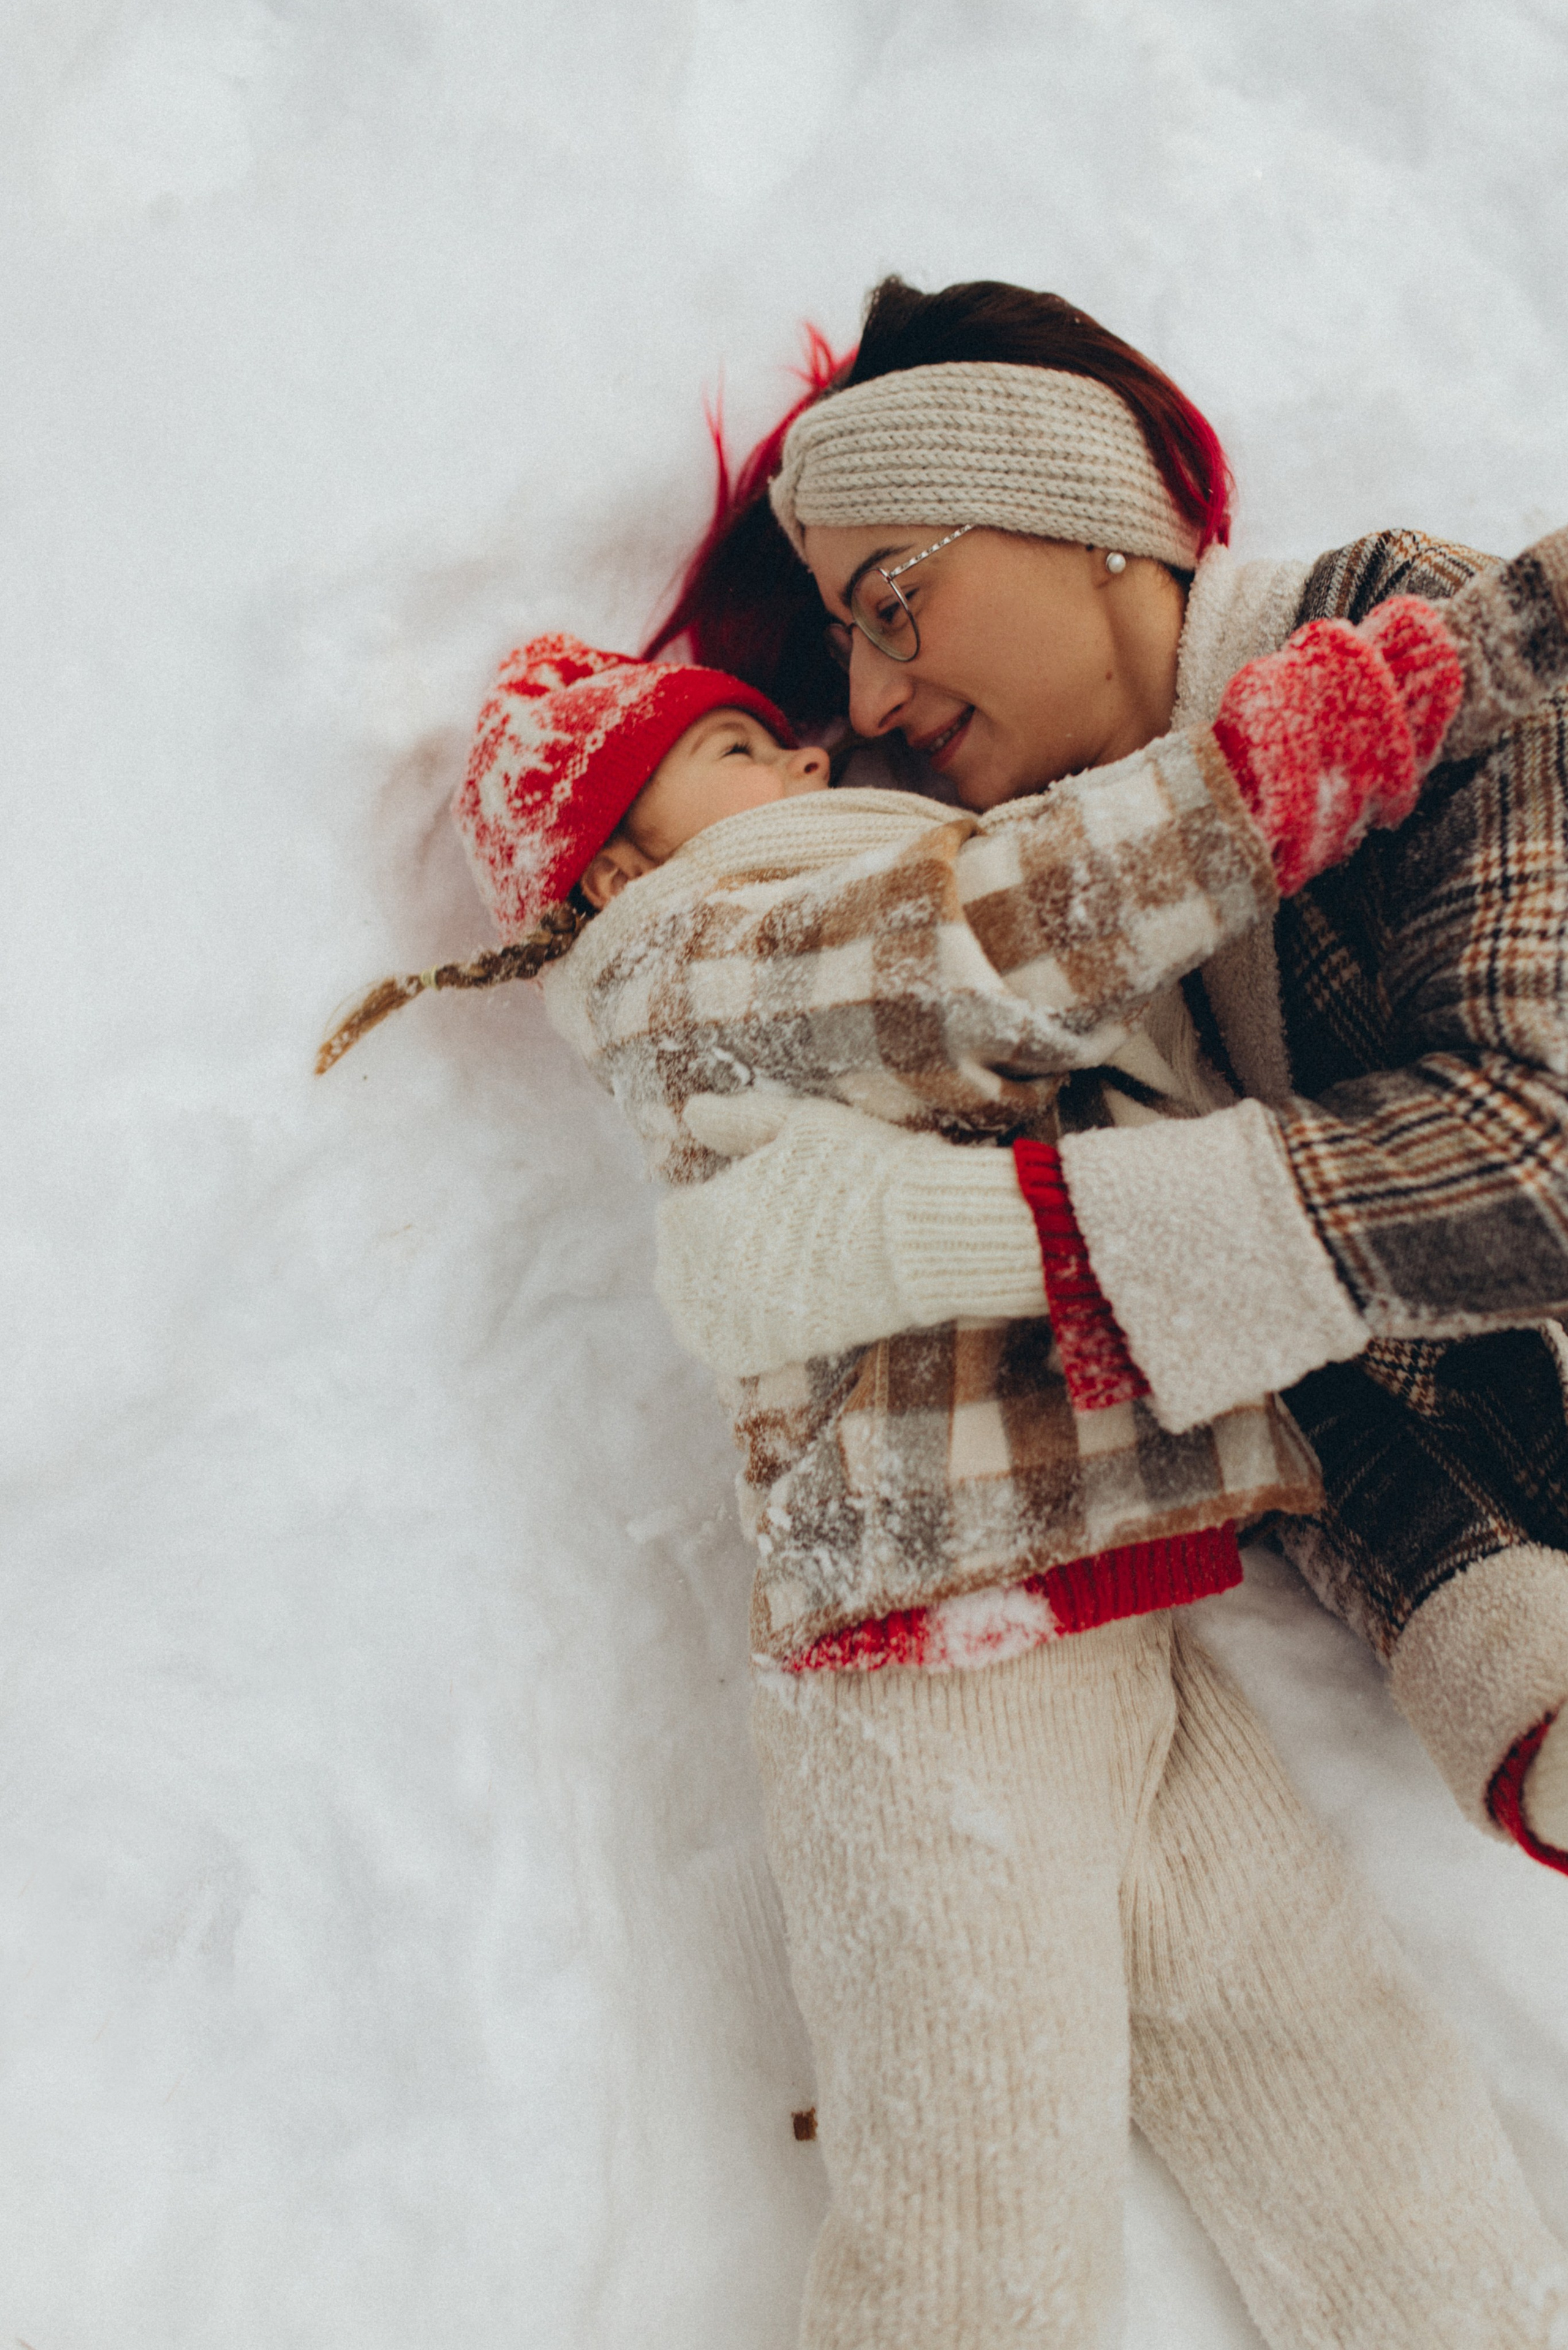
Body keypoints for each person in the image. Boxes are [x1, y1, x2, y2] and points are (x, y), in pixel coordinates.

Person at [321, 605, 1568, 2349]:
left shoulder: (840, 926)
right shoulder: (706, 967)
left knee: (1327, 2056)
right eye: (737, 752)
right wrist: (1259, 778)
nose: (808, 750)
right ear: (616, 869)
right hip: (922, 1684)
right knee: (980, 2193)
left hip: (1119, 1629)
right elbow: (982, 943)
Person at [650, 273, 1568, 1875]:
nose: (867, 699)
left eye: (892, 600)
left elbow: (1538, 1159)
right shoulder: (1081, 939)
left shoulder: (1410, 641)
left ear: (1087, 517)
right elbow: (1297, 1389)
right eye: (844, 646)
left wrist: (1021, 1235)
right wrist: (1502, 1676)